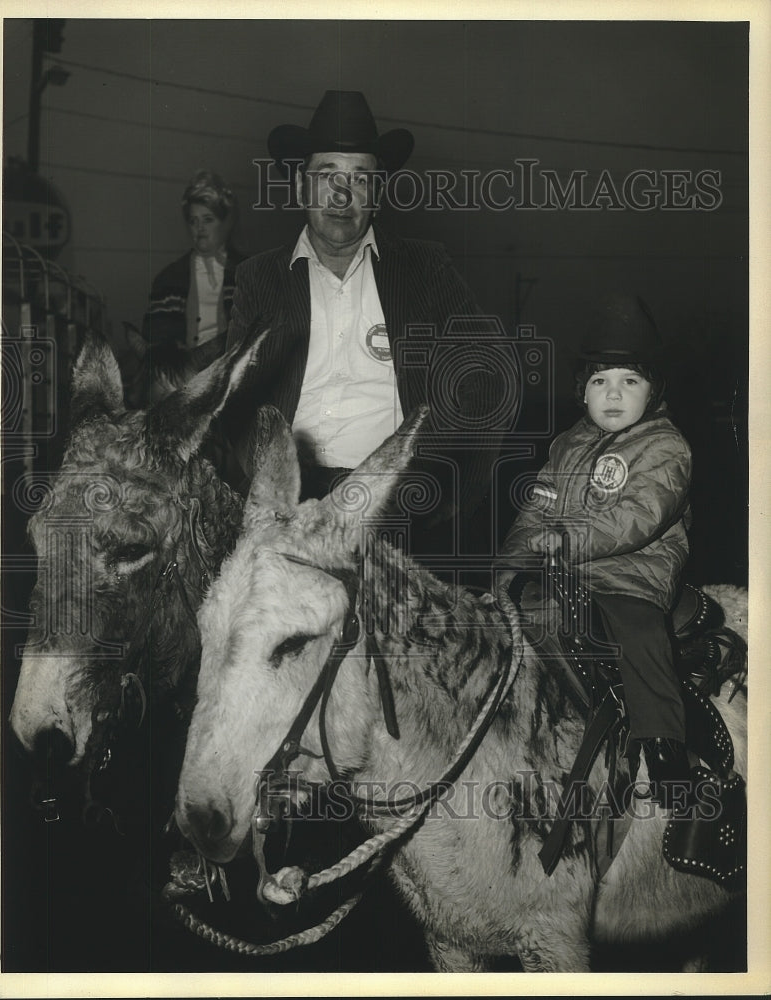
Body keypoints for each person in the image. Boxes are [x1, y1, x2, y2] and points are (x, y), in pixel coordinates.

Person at [219, 90, 508, 569]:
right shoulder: (259, 278)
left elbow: (491, 375)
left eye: (359, 178)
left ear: (377, 193)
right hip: (292, 507)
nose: (341, 194)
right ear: (300, 186)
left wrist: (449, 487)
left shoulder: (424, 267)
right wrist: (274, 487)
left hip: (394, 508)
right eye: (327, 174)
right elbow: (238, 399)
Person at [498, 292, 692, 807]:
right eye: (600, 381)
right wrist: (510, 567)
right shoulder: (565, 445)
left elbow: (639, 516)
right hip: (565, 574)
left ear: (653, 392)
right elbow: (536, 510)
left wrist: (568, 539)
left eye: (630, 381)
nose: (613, 393)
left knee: (639, 632)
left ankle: (665, 747)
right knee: (507, 623)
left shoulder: (666, 446)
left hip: (631, 575)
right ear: (582, 391)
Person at [141, 169, 244, 381]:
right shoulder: (169, 279)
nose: (200, 228)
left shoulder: (249, 273)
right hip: (183, 380)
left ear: (226, 222)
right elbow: (156, 340)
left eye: (208, 219)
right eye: (193, 221)